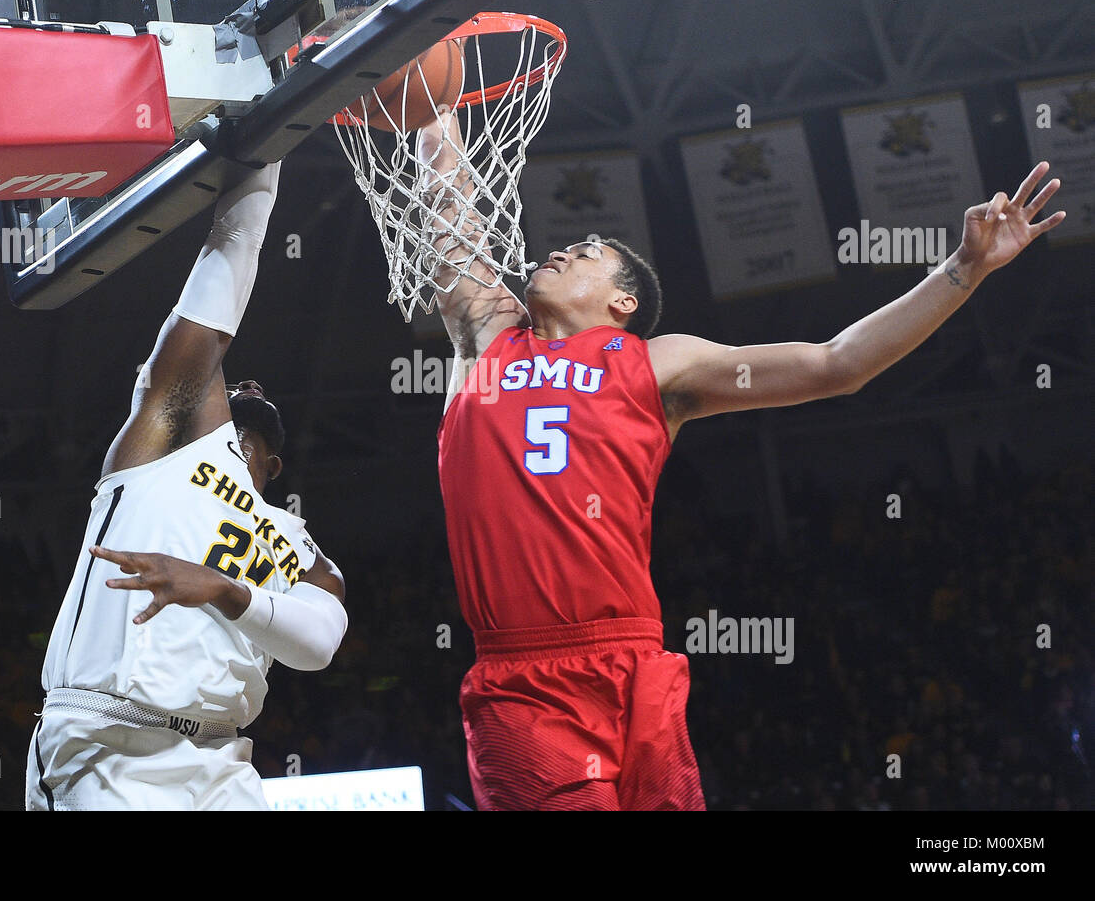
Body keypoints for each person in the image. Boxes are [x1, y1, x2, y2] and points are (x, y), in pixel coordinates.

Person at [419, 105, 1063, 810]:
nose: (562, 250)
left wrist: (964, 269)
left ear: (624, 301)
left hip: (633, 658)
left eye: (588, 252)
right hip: (524, 679)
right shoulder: (489, 338)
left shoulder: (659, 363)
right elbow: (453, 215)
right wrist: (435, 96)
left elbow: (835, 364)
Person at [26, 162, 349, 810]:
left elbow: (319, 643)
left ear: (276, 466)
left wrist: (226, 590)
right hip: (110, 746)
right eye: (235, 386)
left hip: (221, 758)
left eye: (257, 386)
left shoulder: (301, 547)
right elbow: (209, 316)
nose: (247, 384)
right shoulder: (165, 448)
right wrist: (265, 160)